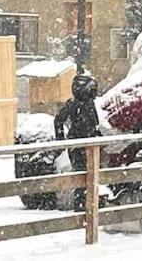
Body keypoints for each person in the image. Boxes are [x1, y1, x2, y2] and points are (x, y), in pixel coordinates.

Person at [54, 74, 100, 210]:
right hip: (77, 145)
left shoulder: (90, 104)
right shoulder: (74, 104)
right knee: (81, 174)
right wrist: (60, 140)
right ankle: (81, 204)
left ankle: (90, 202)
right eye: (91, 89)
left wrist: (98, 136)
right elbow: (58, 120)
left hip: (90, 145)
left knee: (91, 174)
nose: (93, 93)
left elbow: (95, 123)